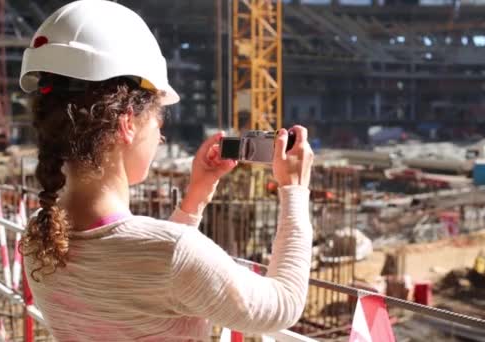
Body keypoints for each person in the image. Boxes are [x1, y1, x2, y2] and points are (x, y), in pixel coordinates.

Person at [19, 1, 314, 341]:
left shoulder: (39, 237)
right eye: (158, 119)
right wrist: (295, 190)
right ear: (127, 122)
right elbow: (283, 304)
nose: (160, 136)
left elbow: (142, 274)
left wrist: (195, 198)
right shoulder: (173, 253)